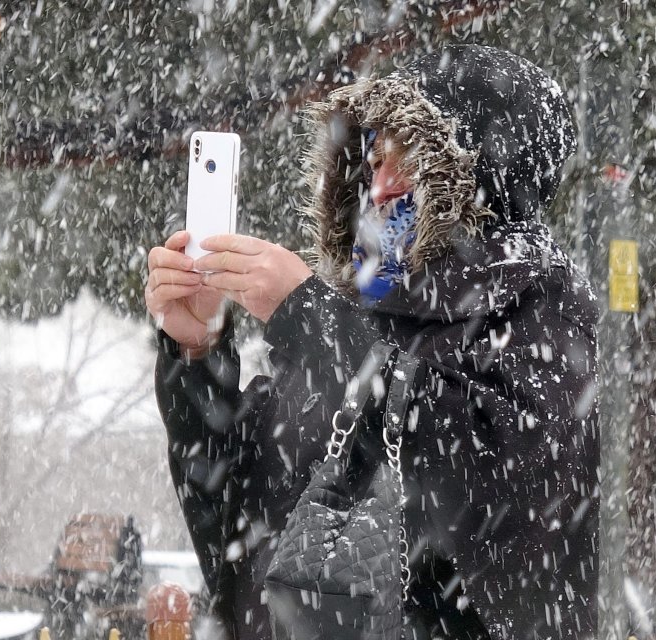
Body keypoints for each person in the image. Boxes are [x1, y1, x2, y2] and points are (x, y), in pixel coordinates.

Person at [146, 44, 602, 640]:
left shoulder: (539, 315)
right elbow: (235, 537)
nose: (379, 186)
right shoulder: (361, 324)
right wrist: (197, 353)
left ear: (478, 181)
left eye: (408, 163)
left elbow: (483, 503)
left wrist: (309, 316)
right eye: (372, 160)